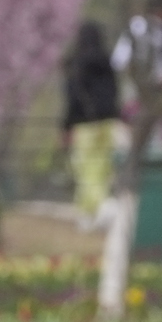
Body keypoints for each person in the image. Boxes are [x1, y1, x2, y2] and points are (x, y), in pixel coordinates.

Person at [58, 20, 124, 216]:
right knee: (103, 168)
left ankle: (92, 211)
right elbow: (115, 92)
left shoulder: (76, 64)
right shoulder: (107, 62)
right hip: (108, 123)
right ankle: (102, 205)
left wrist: (65, 127)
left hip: (84, 125)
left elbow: (72, 98)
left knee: (86, 170)